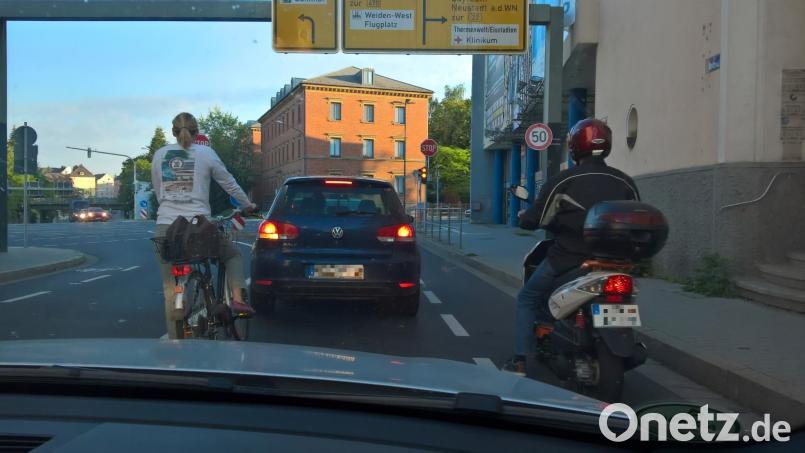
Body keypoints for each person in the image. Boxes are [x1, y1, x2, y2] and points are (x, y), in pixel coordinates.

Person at [503, 118, 640, 376]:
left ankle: (519, 362)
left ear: (575, 147)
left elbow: (537, 218)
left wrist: (525, 218)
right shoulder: (625, 182)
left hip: (568, 258)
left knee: (527, 297)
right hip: (616, 263)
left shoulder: (563, 180)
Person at [151, 112, 257, 339]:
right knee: (232, 255)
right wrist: (248, 205)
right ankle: (238, 299)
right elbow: (229, 183)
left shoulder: (160, 155)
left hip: (166, 229)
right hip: (199, 228)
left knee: (171, 289)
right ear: (196, 132)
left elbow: (158, 190)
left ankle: (175, 344)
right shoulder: (206, 153)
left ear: (173, 132)